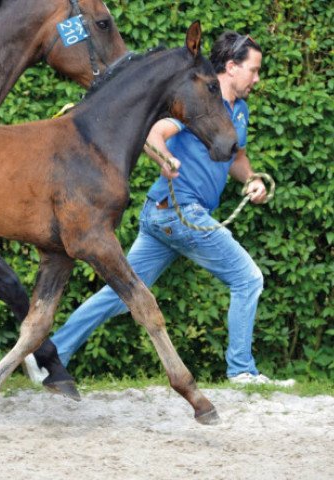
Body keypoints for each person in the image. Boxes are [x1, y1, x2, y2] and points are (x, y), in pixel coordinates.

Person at [27, 31, 295, 387]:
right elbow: (155, 133)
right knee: (248, 279)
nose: (257, 79)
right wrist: (165, 158)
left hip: (162, 215)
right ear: (231, 67)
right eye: (254, 70)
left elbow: (236, 155)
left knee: (119, 294)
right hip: (180, 213)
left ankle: (49, 354)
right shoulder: (199, 97)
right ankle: (241, 370)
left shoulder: (239, 111)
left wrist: (250, 180)